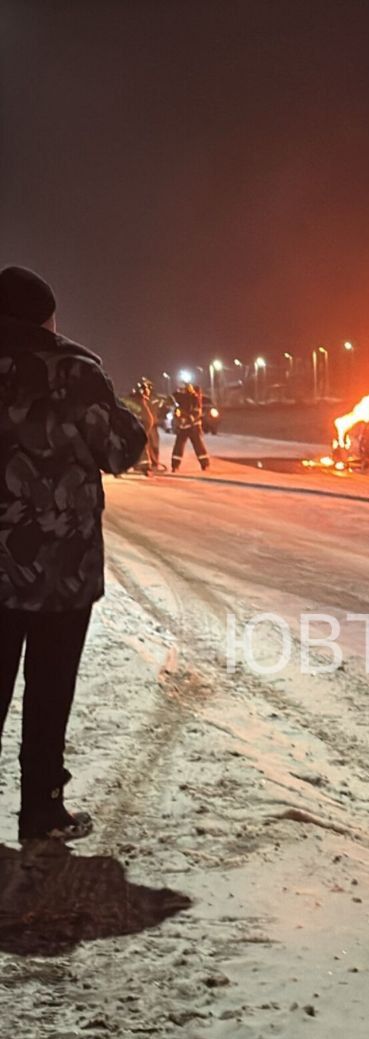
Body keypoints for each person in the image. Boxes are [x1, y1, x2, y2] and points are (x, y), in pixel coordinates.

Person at [0, 265, 147, 841]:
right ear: (46, 316)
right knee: (50, 686)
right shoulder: (74, 368)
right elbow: (120, 449)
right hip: (61, 567)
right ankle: (41, 809)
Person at [171, 381, 210, 472]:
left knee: (198, 445)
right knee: (178, 446)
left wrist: (189, 419)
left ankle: (205, 464)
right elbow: (176, 409)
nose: (181, 390)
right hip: (183, 426)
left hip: (193, 426)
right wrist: (179, 417)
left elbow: (197, 411)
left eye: (183, 389)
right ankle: (175, 465)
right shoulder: (178, 397)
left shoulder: (195, 398)